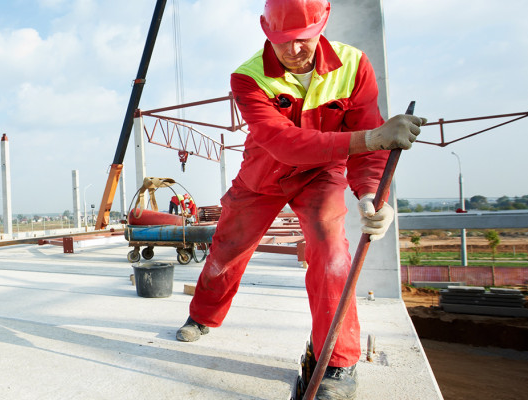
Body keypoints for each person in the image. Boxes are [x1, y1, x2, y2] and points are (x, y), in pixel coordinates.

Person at [174, 1, 425, 399]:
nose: (293, 51)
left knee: (333, 254)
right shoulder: (248, 77)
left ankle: (338, 364)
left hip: (322, 174)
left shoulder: (354, 65)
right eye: (282, 41)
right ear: (265, 31)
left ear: (322, 26)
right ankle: (202, 316)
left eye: (303, 39)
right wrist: (371, 138)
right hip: (264, 173)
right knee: (227, 249)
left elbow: (370, 146)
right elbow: (285, 143)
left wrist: (372, 196)